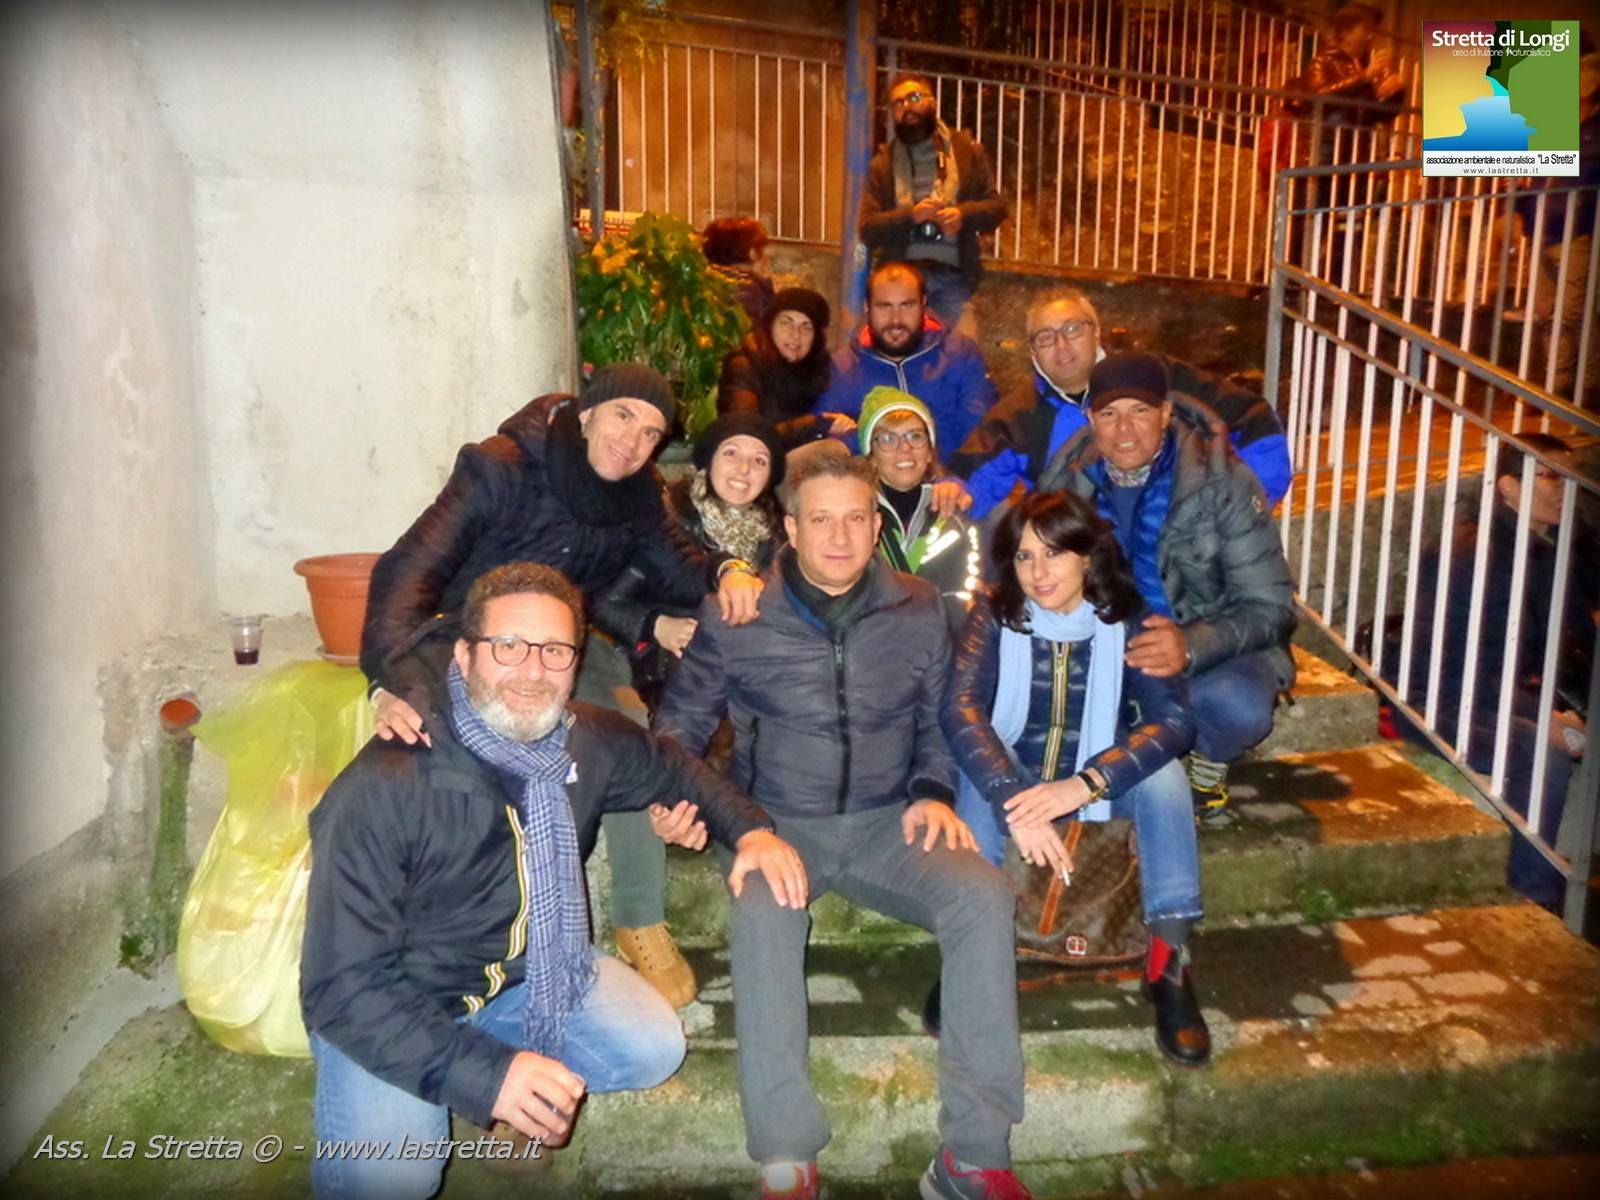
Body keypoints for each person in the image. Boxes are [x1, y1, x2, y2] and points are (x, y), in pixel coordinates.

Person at [301, 562, 803, 1200]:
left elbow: (674, 766)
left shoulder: (583, 741)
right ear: (464, 655)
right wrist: (489, 1078)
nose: (533, 671)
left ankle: (485, 1064)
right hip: (394, 1002)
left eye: (555, 650)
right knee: (391, 1177)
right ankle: (463, 1076)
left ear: (576, 660)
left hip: (527, 976)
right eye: (508, 646)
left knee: (652, 1047)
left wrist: (751, 831)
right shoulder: (386, 785)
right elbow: (341, 987)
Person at [654, 452, 1031, 1200]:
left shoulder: (918, 606)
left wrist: (932, 790)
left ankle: (973, 1156)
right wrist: (711, 812)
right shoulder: (738, 616)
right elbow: (676, 731)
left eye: (856, 518)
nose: (839, 536)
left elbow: (940, 717)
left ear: (876, 524)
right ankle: (787, 1154)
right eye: (820, 519)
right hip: (777, 823)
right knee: (763, 912)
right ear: (790, 529)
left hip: (891, 819)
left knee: (984, 896)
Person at [359, 363, 765, 1009]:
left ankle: (640, 918)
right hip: (469, 635)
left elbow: (679, 566)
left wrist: (730, 569)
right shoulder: (500, 469)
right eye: (623, 416)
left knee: (624, 727)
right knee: (439, 744)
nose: (633, 441)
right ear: (587, 413)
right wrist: (391, 677)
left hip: (567, 643)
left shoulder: (639, 494)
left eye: (651, 432)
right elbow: (410, 567)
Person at [942, 490, 1207, 1066]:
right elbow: (960, 710)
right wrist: (1013, 797)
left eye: (1054, 553)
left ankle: (1167, 963)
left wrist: (1088, 782)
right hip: (1015, 771)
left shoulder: (1127, 616)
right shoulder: (993, 614)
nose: (1038, 573)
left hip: (1096, 777)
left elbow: (1174, 722)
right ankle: (969, 956)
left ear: (1087, 556)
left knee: (1166, 781)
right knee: (974, 768)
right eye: (1024, 556)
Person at [1038, 353, 1297, 820]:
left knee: (1235, 703)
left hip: (1211, 650)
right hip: (1112, 650)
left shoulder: (1223, 484)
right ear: (1091, 420)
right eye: (1109, 414)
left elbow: (1270, 605)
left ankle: (1207, 764)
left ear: (1165, 413)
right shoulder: (1065, 485)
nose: (1124, 429)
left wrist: (1191, 645)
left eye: (1140, 411)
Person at [1388, 433, 1594, 910]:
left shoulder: (1539, 548)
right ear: (1508, 486)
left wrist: (1560, 712)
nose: (1564, 489)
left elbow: (1569, 631)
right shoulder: (1474, 553)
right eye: (1551, 477)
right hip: (1435, 699)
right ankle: (1534, 896)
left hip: (1490, 690)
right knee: (1540, 755)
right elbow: (1450, 669)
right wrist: (1543, 721)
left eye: (1569, 478)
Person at [948, 288, 1291, 519]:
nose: (1061, 346)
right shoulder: (1016, 417)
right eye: (1045, 337)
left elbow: (1253, 420)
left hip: (1172, 548)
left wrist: (1248, 504)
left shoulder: (1157, 377)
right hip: (1079, 565)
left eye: (1072, 329)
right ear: (1032, 350)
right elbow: (965, 484)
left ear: (1097, 332)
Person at [595, 412, 787, 712]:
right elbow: (605, 602)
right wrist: (658, 625)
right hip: (668, 676)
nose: (744, 469)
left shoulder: (774, 538)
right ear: (709, 460)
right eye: (731, 453)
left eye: (759, 461)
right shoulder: (666, 520)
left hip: (745, 675)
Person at [859, 72, 1009, 334]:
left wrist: (962, 215)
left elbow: (996, 208)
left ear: (932, 101)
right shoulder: (883, 164)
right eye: (898, 103)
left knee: (959, 353)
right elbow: (868, 228)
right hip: (900, 281)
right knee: (900, 351)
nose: (907, 107)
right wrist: (911, 216)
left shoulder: (967, 151)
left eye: (914, 97)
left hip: (953, 277)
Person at [818, 261, 999, 457]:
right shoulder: (839, 369)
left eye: (907, 305)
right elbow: (828, 446)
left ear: (923, 303)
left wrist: (951, 475)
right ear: (867, 307)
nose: (896, 320)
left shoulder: (960, 354)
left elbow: (981, 434)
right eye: (884, 306)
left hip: (950, 474)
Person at [858, 386, 981, 630]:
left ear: (929, 452)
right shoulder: (854, 516)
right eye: (887, 439)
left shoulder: (952, 516)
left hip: (940, 642)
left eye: (915, 436)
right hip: (871, 644)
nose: (904, 448)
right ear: (871, 456)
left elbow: (960, 601)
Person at [717, 287, 853, 450]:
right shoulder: (745, 365)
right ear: (770, 326)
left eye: (806, 327)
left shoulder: (821, 369)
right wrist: (816, 424)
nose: (796, 335)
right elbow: (746, 435)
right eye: (786, 323)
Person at [702, 215, 775, 327]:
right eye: (764, 251)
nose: (767, 259)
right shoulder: (751, 293)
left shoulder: (701, 287)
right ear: (753, 253)